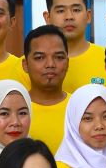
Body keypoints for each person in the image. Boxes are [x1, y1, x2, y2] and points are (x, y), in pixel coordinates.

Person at [45, 0, 106, 92]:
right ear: (47, 18)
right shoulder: (31, 64)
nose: (69, 17)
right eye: (60, 11)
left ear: (88, 16)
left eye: (76, 10)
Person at [21, 25, 71, 153]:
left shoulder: (81, 108)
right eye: (39, 58)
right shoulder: (13, 110)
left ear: (67, 63)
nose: (50, 64)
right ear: (25, 65)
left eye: (59, 57)